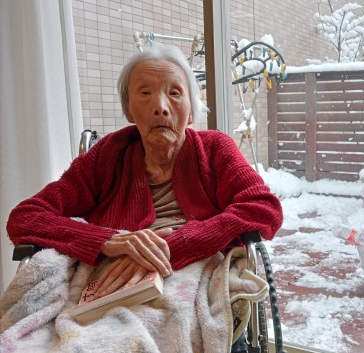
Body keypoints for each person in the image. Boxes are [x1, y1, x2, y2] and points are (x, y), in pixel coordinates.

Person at [7, 43, 283, 299]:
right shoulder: (108, 156)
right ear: (129, 110)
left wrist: (177, 246)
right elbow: (26, 217)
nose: (160, 107)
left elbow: (263, 208)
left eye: (174, 93)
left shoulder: (215, 150)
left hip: (192, 280)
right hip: (109, 282)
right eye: (145, 93)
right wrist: (106, 241)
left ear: (191, 111)